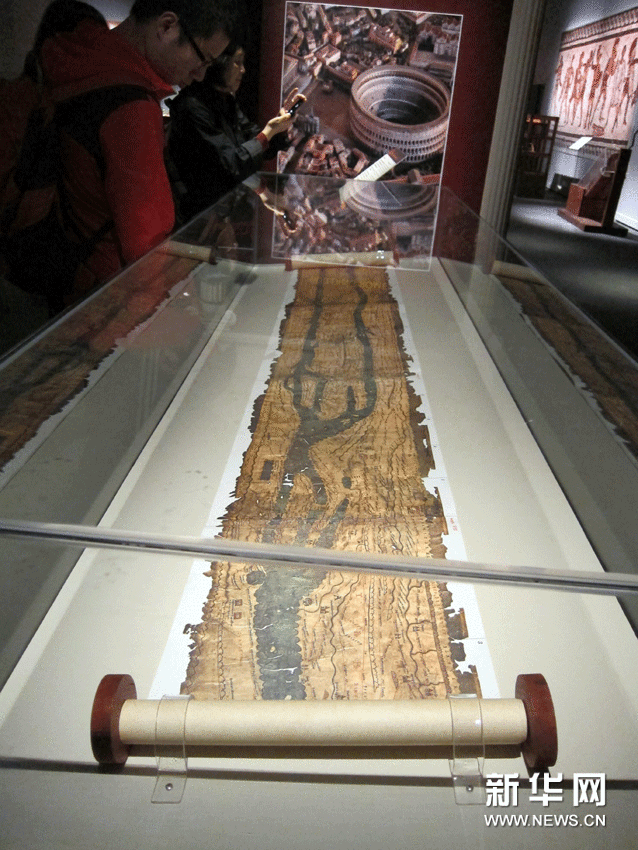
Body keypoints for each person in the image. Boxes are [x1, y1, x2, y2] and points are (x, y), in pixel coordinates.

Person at [37, 0, 238, 299]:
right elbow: (146, 250)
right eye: (203, 59)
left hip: (65, 265)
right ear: (167, 26)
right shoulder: (132, 110)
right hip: (107, 290)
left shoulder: (75, 53)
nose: (200, 75)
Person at [168, 43, 304, 221]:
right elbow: (231, 165)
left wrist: (280, 129)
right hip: (197, 216)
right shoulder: (192, 107)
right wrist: (269, 132)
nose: (243, 70)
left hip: (219, 211)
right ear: (219, 63)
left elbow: (255, 146)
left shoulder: (226, 101)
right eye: (237, 62)